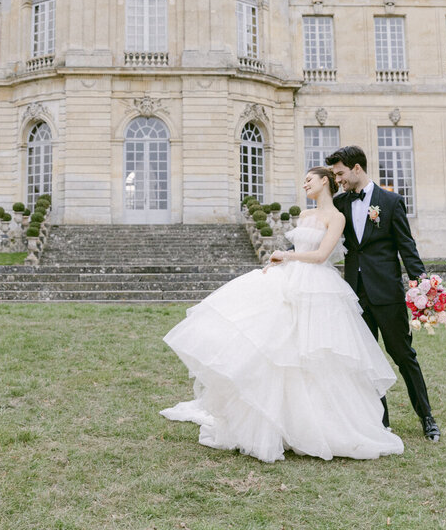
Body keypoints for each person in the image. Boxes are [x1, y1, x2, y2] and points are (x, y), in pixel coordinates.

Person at [160, 167, 404, 463]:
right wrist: (279, 263)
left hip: (317, 285)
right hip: (289, 279)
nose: (305, 185)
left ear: (324, 181)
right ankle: (278, 419)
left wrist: (286, 256)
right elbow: (298, 247)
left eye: (309, 180)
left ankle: (315, 422)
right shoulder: (304, 215)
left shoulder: (336, 217)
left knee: (313, 353)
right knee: (277, 346)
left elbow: (321, 255)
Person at [325, 145, 440, 442]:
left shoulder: (390, 202)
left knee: (404, 356)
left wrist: (423, 286)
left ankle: (426, 417)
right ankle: (379, 421)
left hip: (387, 292)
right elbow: (321, 234)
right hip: (355, 296)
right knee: (365, 361)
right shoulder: (340, 204)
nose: (338, 180)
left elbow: (407, 247)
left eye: (340, 174)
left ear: (357, 168)